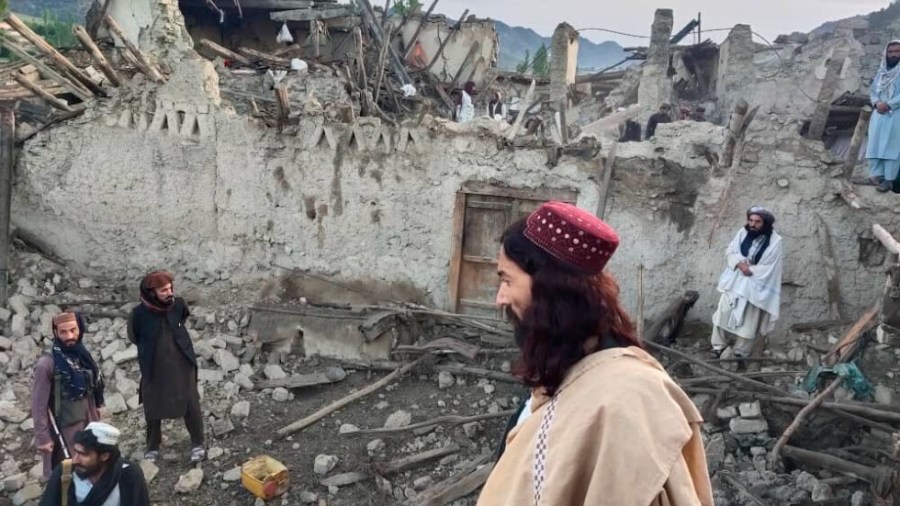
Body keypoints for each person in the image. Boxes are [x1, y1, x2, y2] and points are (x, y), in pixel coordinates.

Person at [478, 201, 713, 506]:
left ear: (551, 292)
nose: (500, 298)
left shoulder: (626, 402)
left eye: (508, 280)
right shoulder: (570, 369)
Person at [127, 270, 205, 463]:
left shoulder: (178, 305)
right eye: (163, 290)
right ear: (151, 293)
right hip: (154, 366)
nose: (169, 293)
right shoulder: (138, 314)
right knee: (152, 405)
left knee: (190, 402)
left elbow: (183, 318)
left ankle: (198, 443)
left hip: (182, 363)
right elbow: (133, 336)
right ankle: (152, 446)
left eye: (170, 288)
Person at [32, 312, 105, 479]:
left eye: (73, 330)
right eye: (63, 332)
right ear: (56, 333)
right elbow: (38, 406)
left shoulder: (83, 356)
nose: (69, 336)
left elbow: (93, 387)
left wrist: (97, 409)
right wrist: (43, 437)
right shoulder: (47, 364)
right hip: (64, 429)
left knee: (91, 468)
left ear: (80, 329)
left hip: (89, 421)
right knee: (66, 475)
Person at [710, 206, 783, 360]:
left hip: (756, 287)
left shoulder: (776, 242)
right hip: (735, 281)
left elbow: (770, 267)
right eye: (750, 220)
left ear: (766, 223)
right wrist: (740, 264)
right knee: (722, 313)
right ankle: (717, 346)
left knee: (749, 321)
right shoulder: (743, 232)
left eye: (757, 222)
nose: (752, 224)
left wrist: (751, 270)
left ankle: (740, 353)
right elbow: (731, 250)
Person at [39, 422, 150, 506]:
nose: (75, 460)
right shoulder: (64, 473)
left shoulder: (128, 475)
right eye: (76, 452)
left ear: (104, 456)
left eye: (83, 454)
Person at [866, 40, 900, 192]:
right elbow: (873, 92)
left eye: (897, 51)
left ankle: (889, 180)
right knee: (875, 144)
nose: (893, 54)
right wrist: (877, 102)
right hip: (878, 114)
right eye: (891, 51)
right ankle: (876, 176)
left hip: (895, 115)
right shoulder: (881, 73)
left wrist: (889, 104)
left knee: (891, 148)